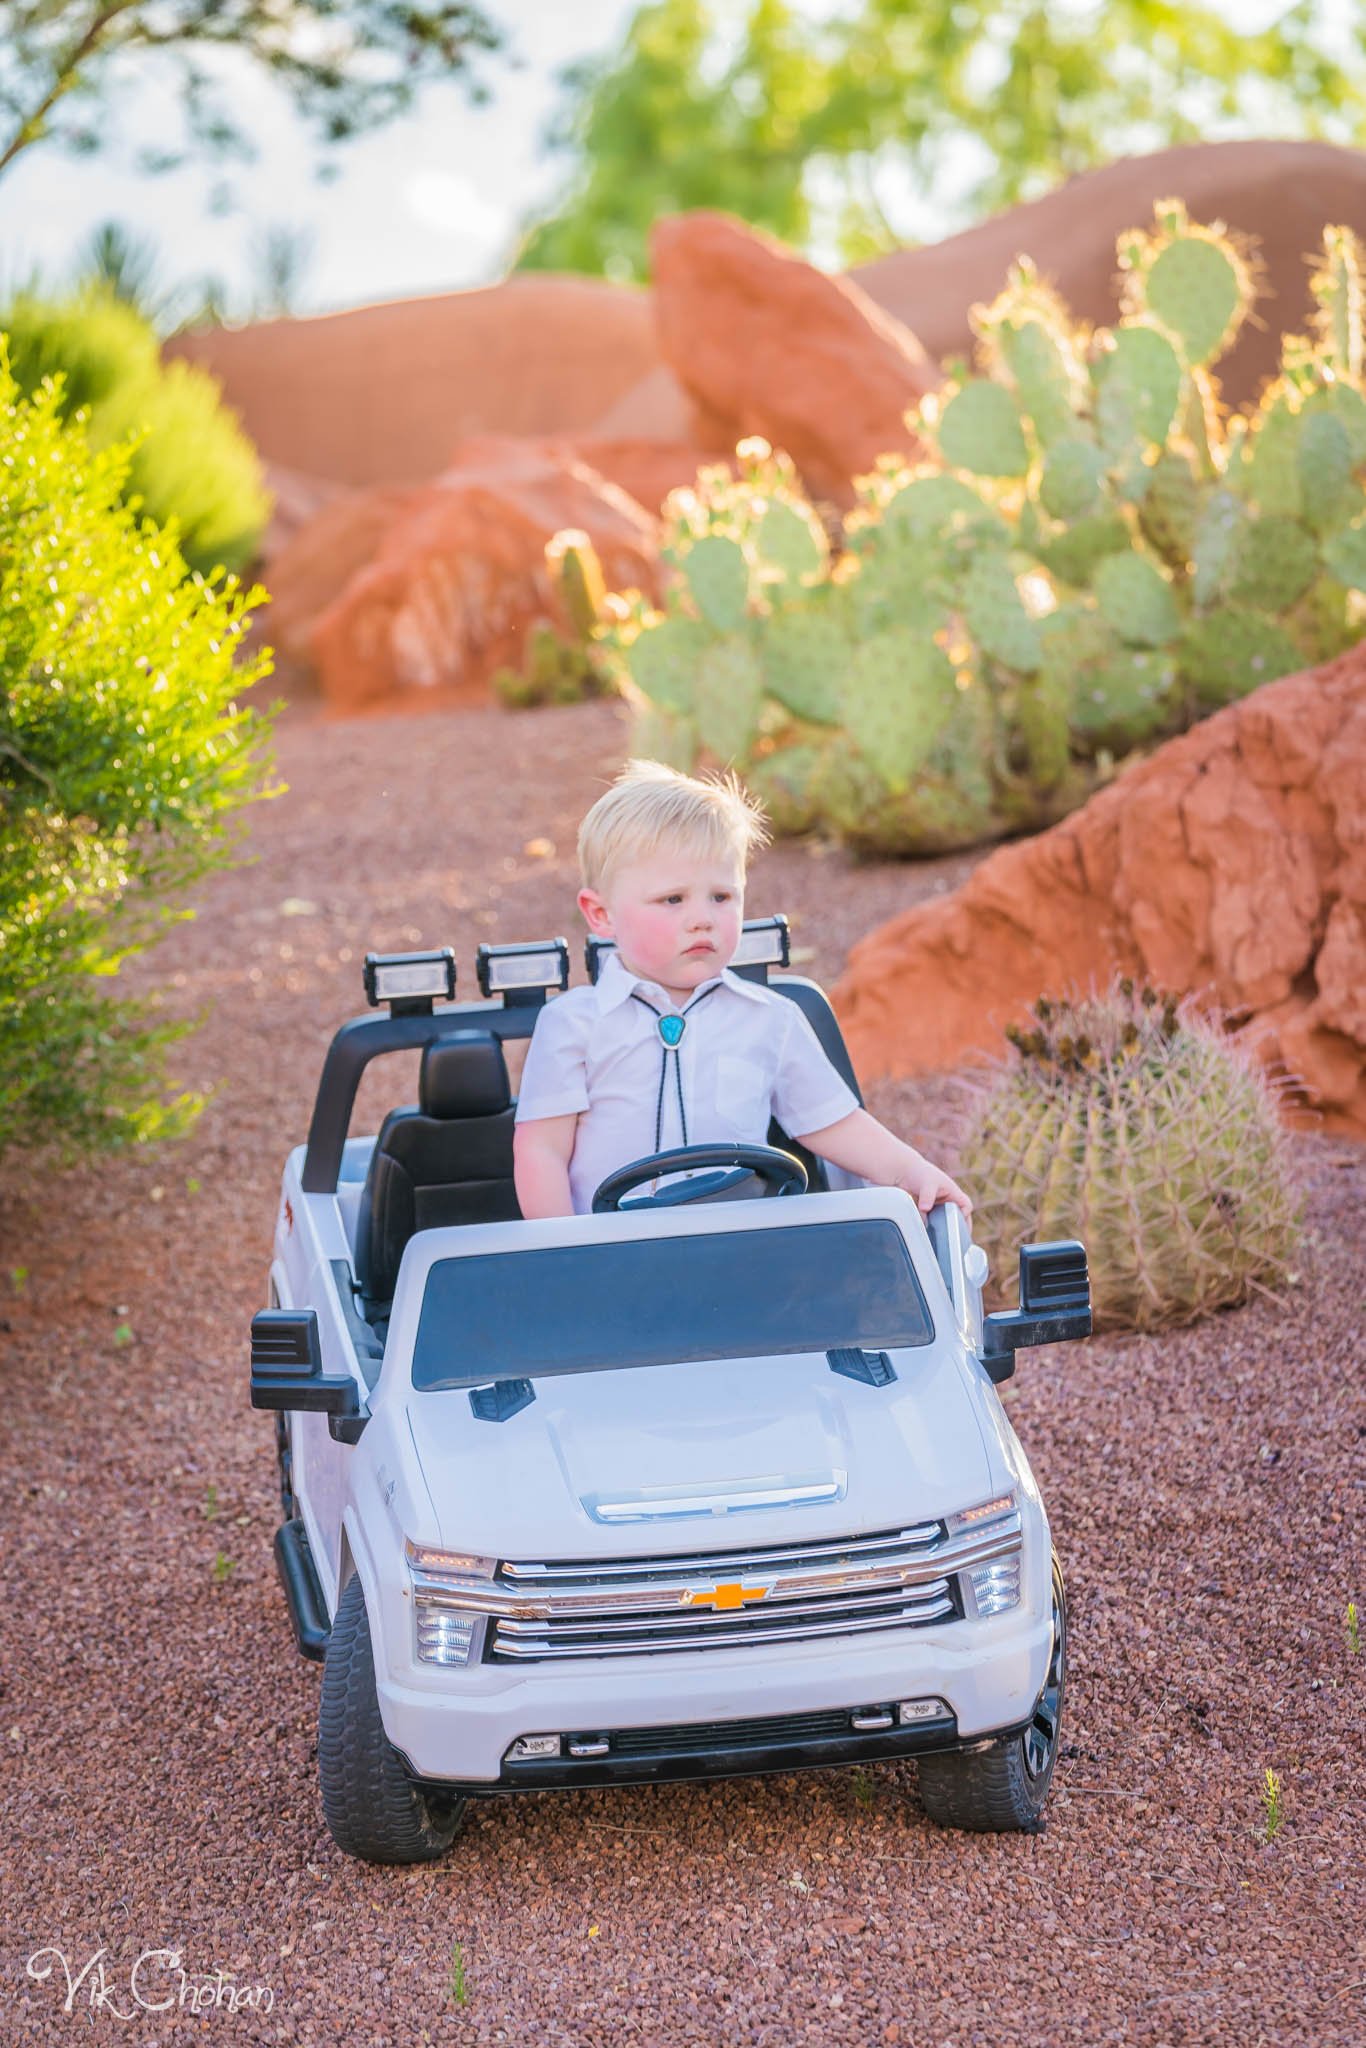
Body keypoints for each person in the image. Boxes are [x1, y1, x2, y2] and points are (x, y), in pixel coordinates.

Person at [512, 759, 973, 1223]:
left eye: (721, 896)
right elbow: (541, 1151)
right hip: (613, 1257)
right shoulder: (573, 1024)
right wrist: (565, 1255)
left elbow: (834, 1123)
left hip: (744, 1251)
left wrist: (912, 1172)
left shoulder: (771, 1018)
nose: (703, 918)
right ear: (601, 914)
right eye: (673, 899)